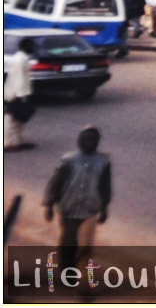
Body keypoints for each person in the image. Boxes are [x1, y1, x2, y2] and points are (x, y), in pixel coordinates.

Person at [43, 125, 111, 270]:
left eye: (91, 140)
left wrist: (104, 208)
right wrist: (49, 205)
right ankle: (67, 272)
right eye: (84, 139)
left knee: (85, 245)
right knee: (69, 242)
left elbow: (105, 187)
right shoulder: (69, 160)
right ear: (79, 140)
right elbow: (55, 182)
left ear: (97, 142)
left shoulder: (103, 162)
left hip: (90, 210)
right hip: (69, 208)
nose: (87, 142)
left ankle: (83, 279)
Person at [4, 37, 36, 151]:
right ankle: (7, 143)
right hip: (16, 94)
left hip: (16, 93)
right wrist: (22, 95)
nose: (34, 48)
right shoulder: (20, 60)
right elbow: (19, 79)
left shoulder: (21, 58)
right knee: (13, 119)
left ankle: (17, 140)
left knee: (19, 118)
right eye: (32, 46)